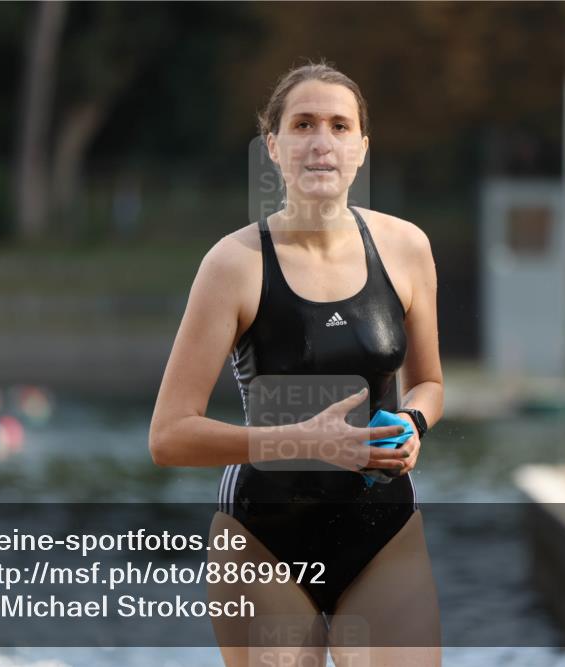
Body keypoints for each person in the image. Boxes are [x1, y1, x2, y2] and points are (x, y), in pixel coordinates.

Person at [149, 61, 444, 665]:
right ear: (274, 146)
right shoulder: (232, 264)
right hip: (263, 538)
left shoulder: (408, 248)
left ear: (361, 148)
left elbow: (431, 384)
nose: (321, 142)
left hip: (383, 528)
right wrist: (302, 441)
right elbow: (168, 437)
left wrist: (413, 425)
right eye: (303, 124)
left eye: (339, 126)